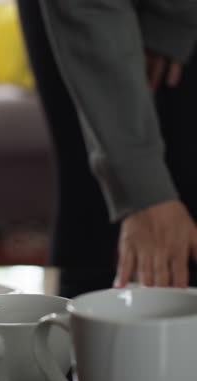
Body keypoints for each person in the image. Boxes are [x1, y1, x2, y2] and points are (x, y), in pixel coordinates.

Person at [16, 0, 197, 296]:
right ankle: (69, 336)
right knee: (95, 193)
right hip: (81, 9)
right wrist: (142, 189)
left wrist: (174, 22)